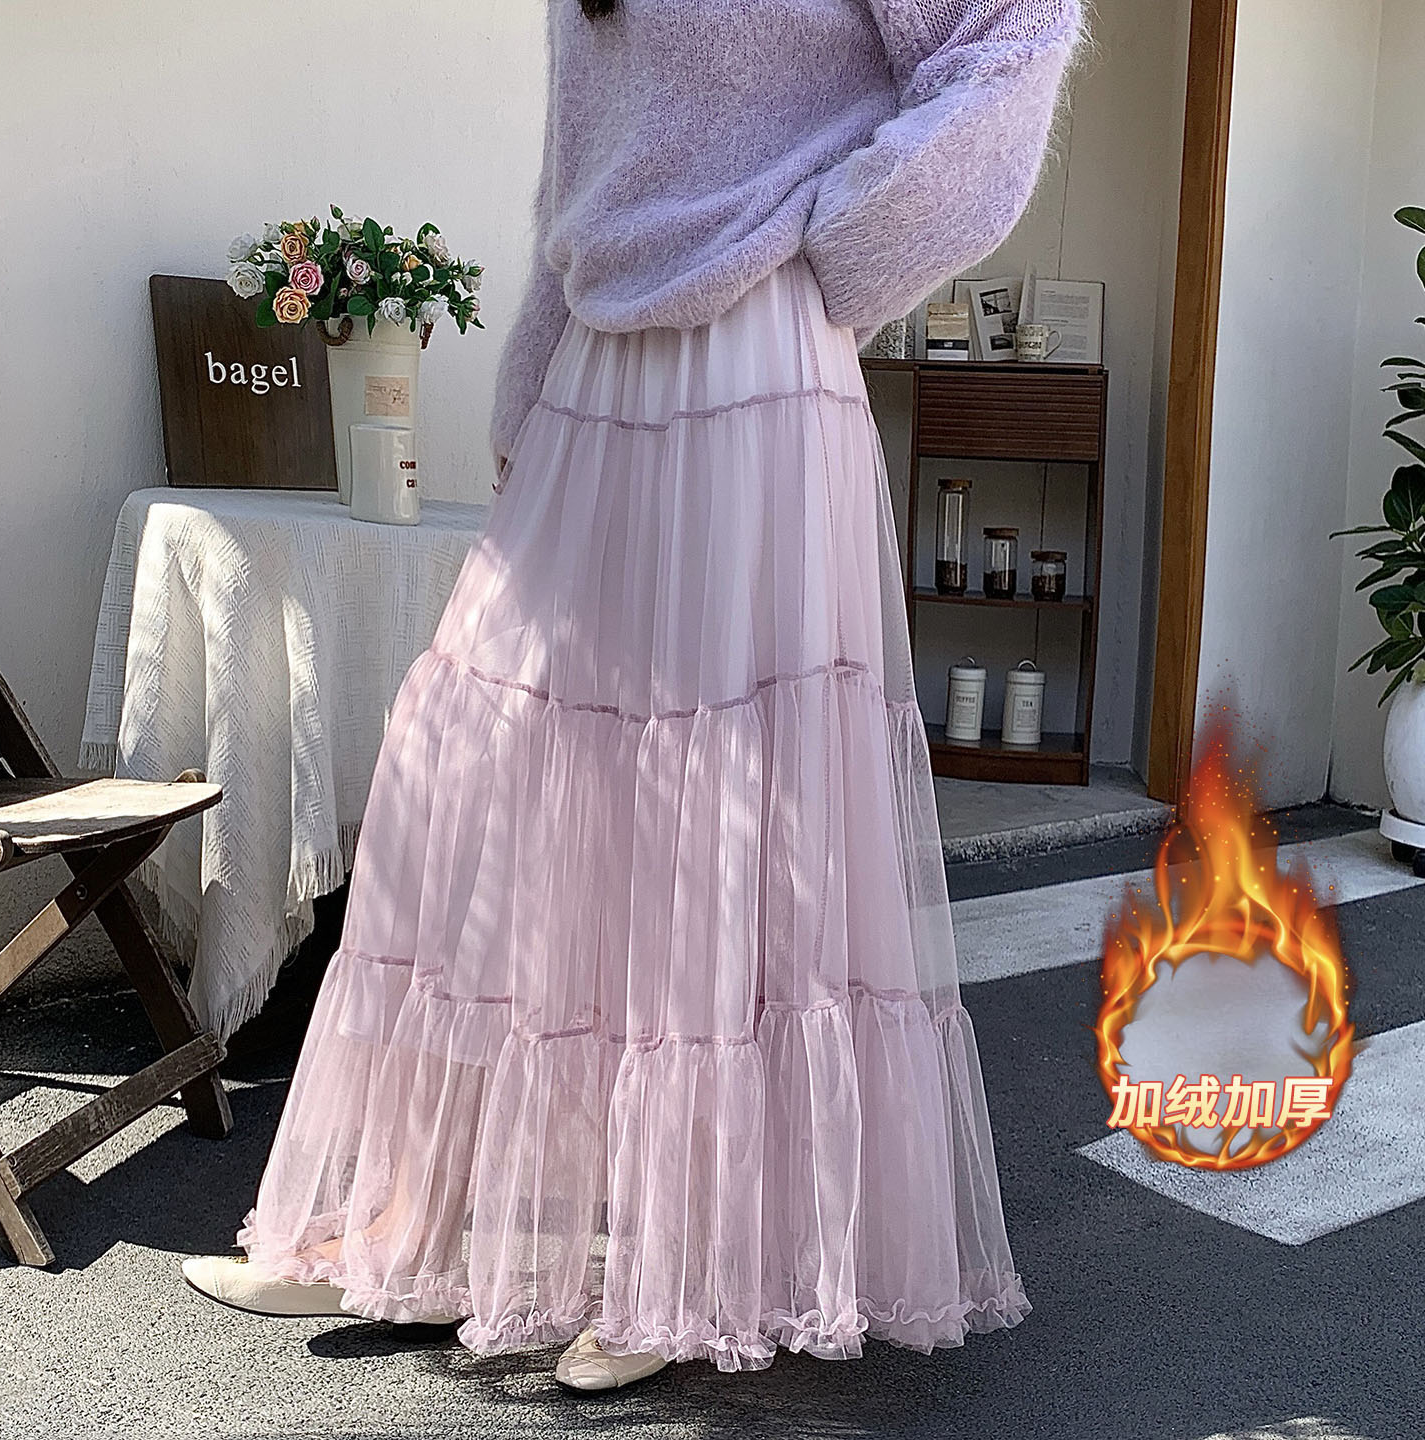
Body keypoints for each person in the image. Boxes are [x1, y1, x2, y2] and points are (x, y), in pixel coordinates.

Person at [183, 0, 1084, 1393]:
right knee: (481, 788)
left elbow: (1014, 38)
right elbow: (576, 182)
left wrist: (834, 239)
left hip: (756, 362)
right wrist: (526, 399)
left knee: (711, 822)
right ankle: (398, 1225)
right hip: (599, 373)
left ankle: (682, 1267)